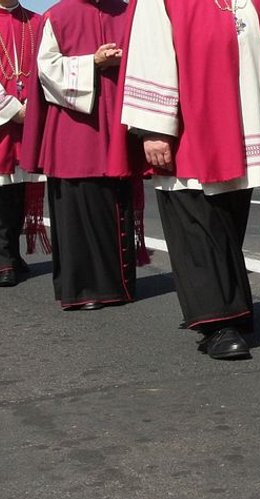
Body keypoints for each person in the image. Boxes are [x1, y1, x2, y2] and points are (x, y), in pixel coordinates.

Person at [120, 0, 260, 361]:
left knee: (228, 218)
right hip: (191, 128)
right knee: (195, 219)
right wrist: (154, 127)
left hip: (250, 121)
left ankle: (234, 309)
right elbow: (150, 47)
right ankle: (216, 323)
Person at [20, 0, 143, 310]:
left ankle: (117, 286)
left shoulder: (129, 12)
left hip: (118, 124)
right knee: (76, 212)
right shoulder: (59, 15)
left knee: (116, 204)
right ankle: (82, 289)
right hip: (74, 131)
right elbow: (47, 71)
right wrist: (93, 62)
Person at [0, 0, 43, 288]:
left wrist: (35, 106)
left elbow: (47, 67)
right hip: (4, 120)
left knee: (19, 188)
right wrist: (13, 109)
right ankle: (2, 258)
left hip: (30, 119)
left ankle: (12, 253)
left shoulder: (37, 21)